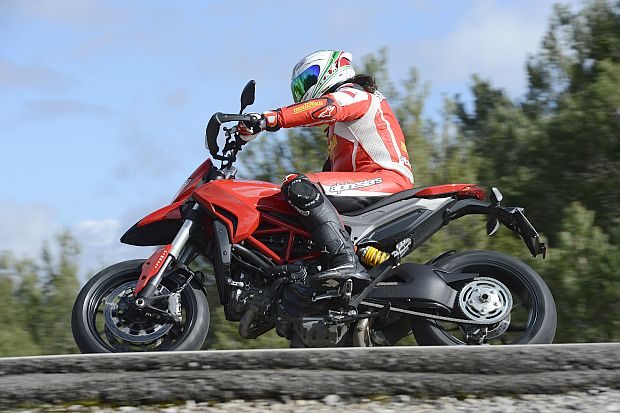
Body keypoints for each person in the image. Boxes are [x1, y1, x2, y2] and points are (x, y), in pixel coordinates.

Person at [238, 50, 413, 292]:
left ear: (332, 70)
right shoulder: (339, 127)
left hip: (384, 178)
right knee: (293, 200)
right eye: (298, 86)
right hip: (370, 183)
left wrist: (269, 119)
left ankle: (344, 260)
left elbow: (325, 106)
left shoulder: (355, 95)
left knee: (299, 186)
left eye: (308, 79)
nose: (303, 89)